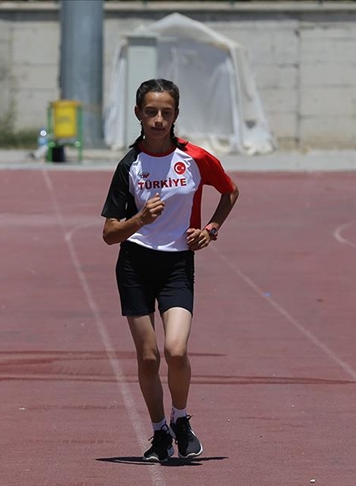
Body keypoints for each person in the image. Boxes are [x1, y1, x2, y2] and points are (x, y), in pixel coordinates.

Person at [100, 78, 239, 463]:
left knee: (175, 350)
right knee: (148, 358)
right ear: (138, 114)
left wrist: (210, 230)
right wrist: (140, 219)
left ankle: (181, 418)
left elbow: (229, 191)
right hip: (135, 266)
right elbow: (110, 233)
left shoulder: (194, 158)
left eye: (166, 112)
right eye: (151, 112)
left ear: (176, 115)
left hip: (178, 263)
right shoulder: (130, 165)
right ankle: (159, 430)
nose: (158, 119)